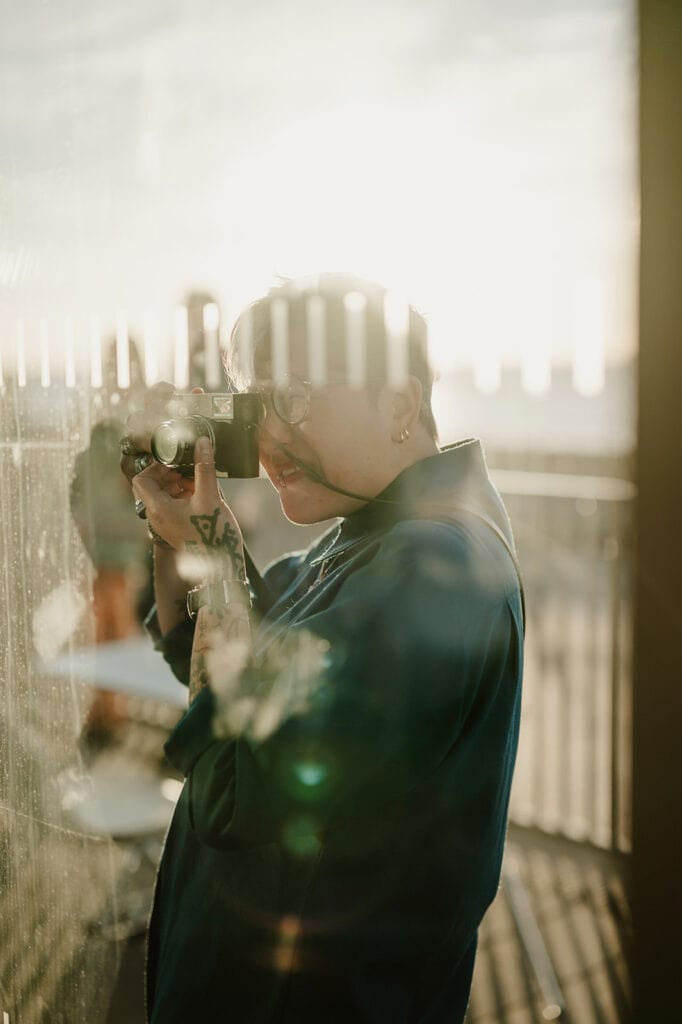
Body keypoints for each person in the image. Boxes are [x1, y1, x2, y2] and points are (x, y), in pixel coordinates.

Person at [123, 274, 524, 1024]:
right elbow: (211, 648)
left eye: (295, 397)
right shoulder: (374, 533)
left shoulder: (439, 573)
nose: (266, 436)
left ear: (399, 406)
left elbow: (244, 780)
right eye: (254, 404)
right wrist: (180, 526)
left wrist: (210, 550)